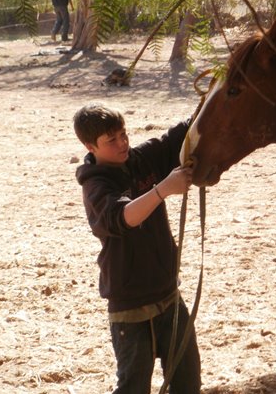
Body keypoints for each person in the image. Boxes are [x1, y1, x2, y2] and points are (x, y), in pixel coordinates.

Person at [73, 103, 201, 393]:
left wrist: (213, 96)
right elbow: (121, 217)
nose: (123, 144)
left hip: (169, 295)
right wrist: (163, 189)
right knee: (133, 387)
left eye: (123, 134)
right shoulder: (95, 186)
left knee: (188, 382)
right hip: (130, 309)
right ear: (90, 146)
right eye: (112, 140)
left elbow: (180, 136)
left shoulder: (140, 159)